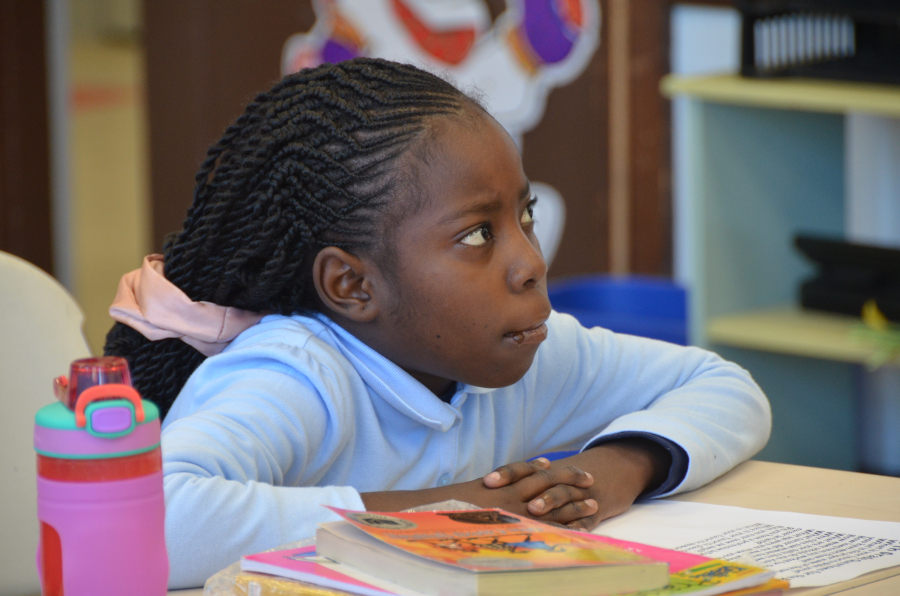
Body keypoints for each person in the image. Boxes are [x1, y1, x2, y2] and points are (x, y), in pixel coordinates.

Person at [104, 58, 771, 588]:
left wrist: (612, 471)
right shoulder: (296, 375)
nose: (531, 263)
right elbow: (145, 519)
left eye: (525, 217)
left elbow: (725, 386)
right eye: (479, 235)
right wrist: (450, 514)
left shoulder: (524, 358)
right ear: (353, 285)